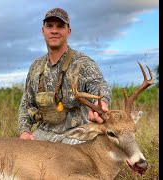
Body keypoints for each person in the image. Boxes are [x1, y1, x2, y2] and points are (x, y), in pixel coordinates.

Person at [18, 7, 112, 145]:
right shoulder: (36, 67)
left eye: (60, 26)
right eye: (49, 26)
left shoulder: (82, 62)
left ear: (68, 31)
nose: (54, 30)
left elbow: (99, 86)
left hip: (77, 136)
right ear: (43, 31)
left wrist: (100, 103)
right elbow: (26, 103)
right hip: (44, 134)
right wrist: (25, 132)